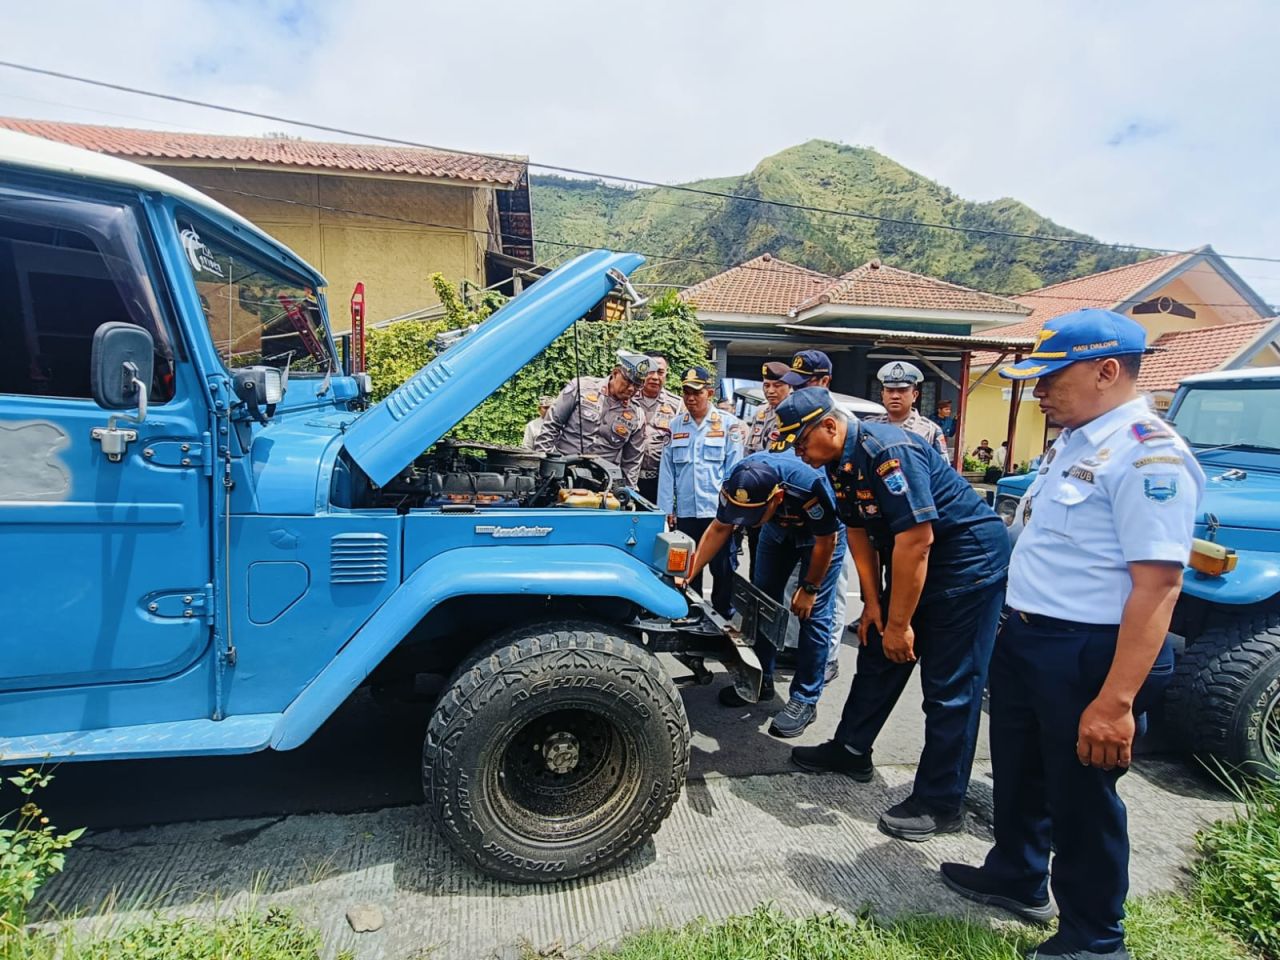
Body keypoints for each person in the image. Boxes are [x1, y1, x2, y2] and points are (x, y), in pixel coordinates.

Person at [939, 309, 1205, 960]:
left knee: (1082, 798)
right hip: (1030, 638)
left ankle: (1095, 937)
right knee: (1020, 771)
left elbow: (1158, 587)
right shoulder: (1077, 441)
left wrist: (1115, 703)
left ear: (1107, 371)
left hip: (1090, 653)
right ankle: (1017, 873)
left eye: (1051, 378)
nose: (1040, 393)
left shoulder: (1148, 454)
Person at [774, 386, 1011, 842]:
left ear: (830, 426)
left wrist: (901, 625)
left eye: (800, 442)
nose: (797, 452)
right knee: (877, 651)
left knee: (949, 687)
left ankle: (941, 802)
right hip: (913, 563)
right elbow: (858, 532)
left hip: (965, 567)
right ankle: (851, 750)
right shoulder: (839, 463)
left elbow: (917, 540)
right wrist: (875, 605)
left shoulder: (888, 452)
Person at [680, 454, 846, 737]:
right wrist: (688, 574)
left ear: (776, 498)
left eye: (752, 516)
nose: (747, 523)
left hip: (819, 538)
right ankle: (761, 680)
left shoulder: (809, 486)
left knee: (813, 615)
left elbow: (827, 540)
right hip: (777, 530)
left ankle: (805, 699)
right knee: (761, 605)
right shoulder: (735, 482)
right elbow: (719, 527)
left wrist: (809, 588)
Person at [658, 366, 746, 618]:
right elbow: (667, 472)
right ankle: (691, 616)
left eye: (697, 392)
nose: (691, 398)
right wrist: (666, 511)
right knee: (686, 569)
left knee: (723, 570)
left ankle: (723, 617)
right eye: (686, 392)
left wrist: (734, 513)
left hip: (718, 514)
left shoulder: (728, 425)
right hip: (687, 512)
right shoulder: (675, 426)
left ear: (709, 393)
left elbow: (735, 471)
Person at [536, 351, 650, 486]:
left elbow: (632, 463)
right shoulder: (581, 387)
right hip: (562, 473)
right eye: (628, 381)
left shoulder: (637, 416)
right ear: (615, 373)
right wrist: (542, 468)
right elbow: (551, 426)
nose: (631, 389)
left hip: (601, 483)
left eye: (637, 385)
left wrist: (627, 491)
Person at [743, 361, 794, 577]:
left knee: (781, 568)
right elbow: (748, 453)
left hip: (783, 501)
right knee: (756, 563)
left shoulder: (795, 413)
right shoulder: (760, 413)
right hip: (757, 499)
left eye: (777, 385)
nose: (770, 390)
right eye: (766, 385)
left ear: (790, 386)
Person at [866, 361, 949, 459]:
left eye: (902, 390)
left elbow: (942, 466)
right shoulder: (869, 427)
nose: (895, 396)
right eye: (890, 390)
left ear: (915, 395)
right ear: (883, 395)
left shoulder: (930, 431)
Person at [634, 353, 683, 503]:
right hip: (629, 477)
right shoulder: (628, 398)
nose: (655, 377)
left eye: (660, 372)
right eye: (650, 371)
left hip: (660, 480)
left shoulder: (677, 405)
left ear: (666, 374)